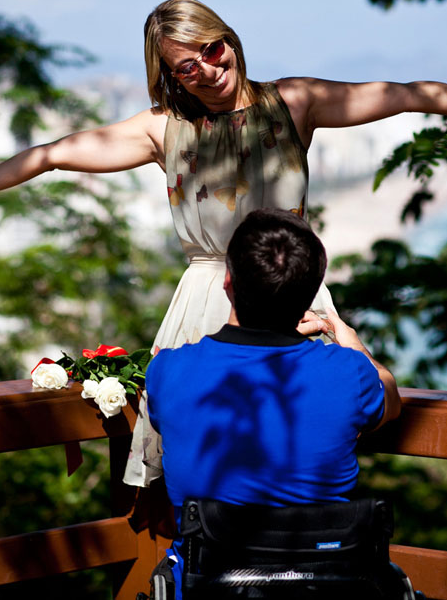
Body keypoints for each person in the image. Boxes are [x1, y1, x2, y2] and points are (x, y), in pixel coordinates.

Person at [0, 0, 447, 486]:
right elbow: (52, 155)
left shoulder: (295, 102)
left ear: (229, 39)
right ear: (169, 76)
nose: (208, 71)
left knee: (307, 442)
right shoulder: (162, 130)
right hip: (207, 295)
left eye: (212, 51)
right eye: (186, 68)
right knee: (201, 461)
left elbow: (402, 96)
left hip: (292, 286)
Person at [144, 208, 402, 600]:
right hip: (324, 590)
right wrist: (348, 338)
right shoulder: (348, 373)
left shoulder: (169, 370)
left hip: (208, 589)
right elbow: (390, 398)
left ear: (228, 282)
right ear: (307, 295)